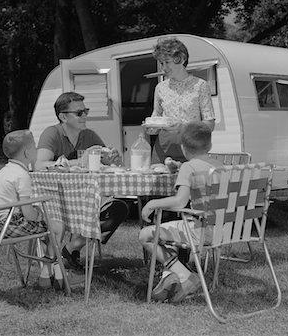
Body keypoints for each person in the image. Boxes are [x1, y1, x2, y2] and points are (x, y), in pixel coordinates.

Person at [36, 91, 129, 270]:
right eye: (79, 113)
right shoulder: (52, 134)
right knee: (105, 213)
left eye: (85, 111)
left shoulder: (89, 135)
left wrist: (112, 158)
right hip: (58, 205)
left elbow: (105, 159)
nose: (85, 116)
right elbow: (39, 164)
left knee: (120, 208)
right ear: (63, 116)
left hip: (85, 202)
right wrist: (77, 162)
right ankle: (67, 252)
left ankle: (71, 248)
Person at [0, 130, 83, 289]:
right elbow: (28, 214)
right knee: (58, 227)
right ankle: (52, 275)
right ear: (27, 153)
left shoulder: (5, 171)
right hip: (8, 226)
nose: (37, 150)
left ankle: (51, 275)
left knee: (49, 228)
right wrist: (39, 215)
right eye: (34, 147)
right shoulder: (22, 175)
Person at [139, 121, 223, 303]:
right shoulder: (219, 165)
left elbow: (180, 201)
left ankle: (184, 274)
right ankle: (178, 278)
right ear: (210, 145)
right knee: (166, 231)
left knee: (145, 236)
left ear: (183, 148)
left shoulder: (189, 168)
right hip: (224, 231)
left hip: (201, 232)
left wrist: (153, 203)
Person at [146, 37, 216, 164]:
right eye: (161, 63)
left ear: (182, 59)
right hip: (163, 149)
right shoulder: (160, 88)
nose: (164, 68)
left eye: (167, 62)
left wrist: (184, 127)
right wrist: (151, 128)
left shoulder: (200, 86)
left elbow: (210, 125)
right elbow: (156, 117)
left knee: (189, 182)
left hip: (192, 148)